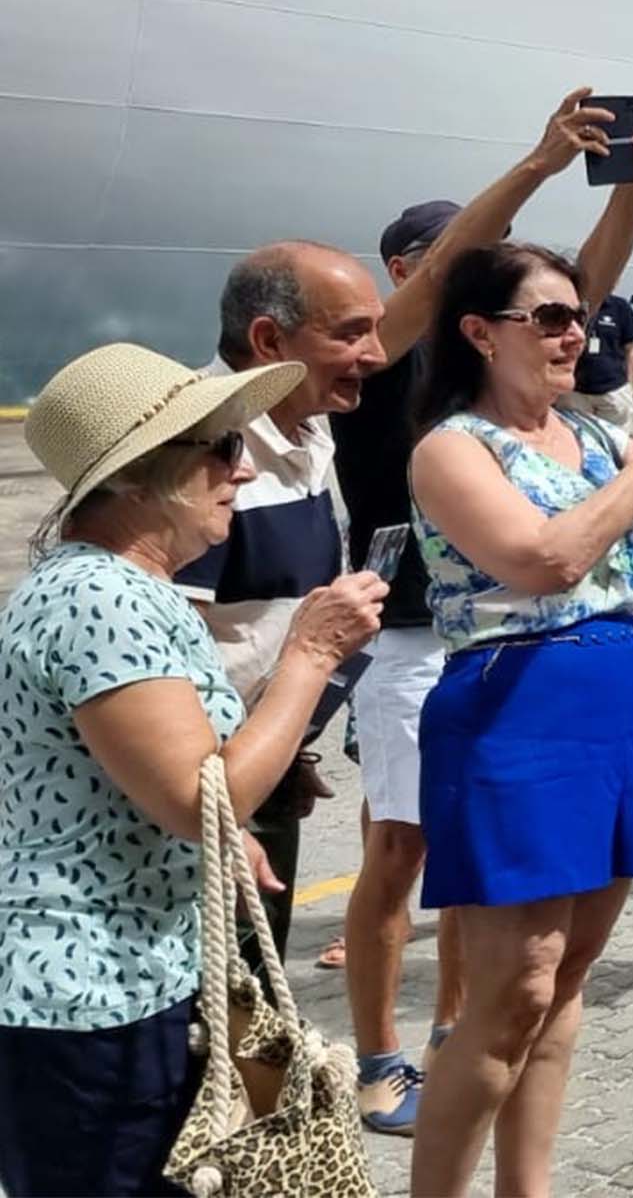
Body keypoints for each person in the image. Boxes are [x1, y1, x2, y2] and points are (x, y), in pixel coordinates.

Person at [334, 89, 633, 1135]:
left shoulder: (515, 376)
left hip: (513, 653)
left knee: (500, 920)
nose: (558, 329)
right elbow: (454, 275)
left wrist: (632, 193)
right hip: (424, 637)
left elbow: (581, 294)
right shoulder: (380, 366)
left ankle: (455, 1036)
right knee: (397, 853)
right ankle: (382, 1052)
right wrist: (535, 164)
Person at [0, 345, 384, 1197]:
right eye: (218, 447)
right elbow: (196, 798)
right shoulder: (101, 598)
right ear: (141, 475)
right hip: (91, 992)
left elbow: (151, 783)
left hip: (123, 977)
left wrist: (226, 836)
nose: (240, 470)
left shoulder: (109, 587)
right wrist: (310, 654)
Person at [406, 243, 633, 1195]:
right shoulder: (451, 447)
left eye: (577, 315)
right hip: (515, 706)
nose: (574, 333)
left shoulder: (593, 438)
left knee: (564, 982)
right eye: (548, 317)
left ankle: (529, 1186)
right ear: (479, 333)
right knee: (513, 987)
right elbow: (544, 560)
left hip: (615, 700)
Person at [178, 241, 388, 968]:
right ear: (269, 341)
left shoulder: (302, 425)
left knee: (260, 1000)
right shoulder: (203, 454)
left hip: (261, 769)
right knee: (219, 1010)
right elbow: (169, 652)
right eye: (352, 332)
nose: (377, 353)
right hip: (200, 793)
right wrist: (221, 812)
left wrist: (287, 745)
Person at [562, 291, 633, 428]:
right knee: (576, 440)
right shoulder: (571, 306)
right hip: (576, 391)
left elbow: (630, 348)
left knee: (616, 442)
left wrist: (630, 384)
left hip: (613, 389)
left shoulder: (620, 307)